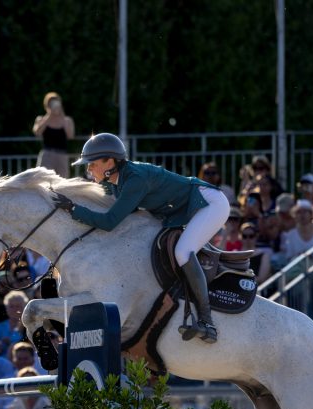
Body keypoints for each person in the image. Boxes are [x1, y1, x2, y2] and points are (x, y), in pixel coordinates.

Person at [51, 132, 229, 343]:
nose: (88, 168)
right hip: (185, 209)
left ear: (110, 161)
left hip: (208, 203)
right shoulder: (117, 180)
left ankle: (207, 323)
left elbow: (109, 222)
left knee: (183, 252)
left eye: (92, 163)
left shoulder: (134, 179)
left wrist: (73, 209)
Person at [32, 92, 75, 178]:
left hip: (62, 155)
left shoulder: (67, 120)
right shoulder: (41, 119)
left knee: (63, 181)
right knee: (43, 180)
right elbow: (37, 132)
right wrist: (49, 115)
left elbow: (70, 135)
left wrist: (62, 116)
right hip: (47, 155)